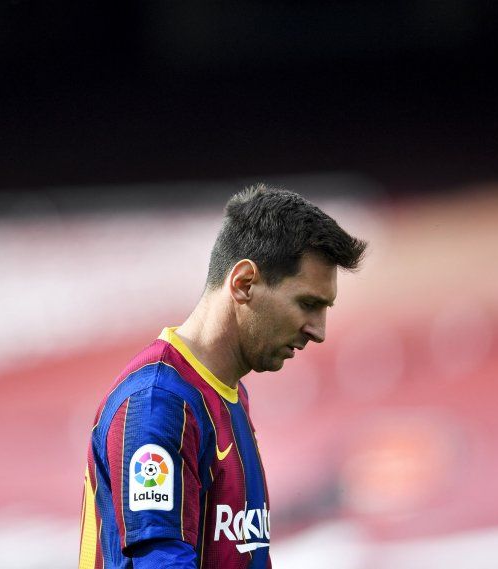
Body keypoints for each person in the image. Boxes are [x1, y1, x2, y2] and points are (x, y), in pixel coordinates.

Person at [78, 184, 367, 568]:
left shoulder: (228, 395)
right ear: (244, 283)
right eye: (308, 304)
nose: (319, 330)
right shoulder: (158, 402)